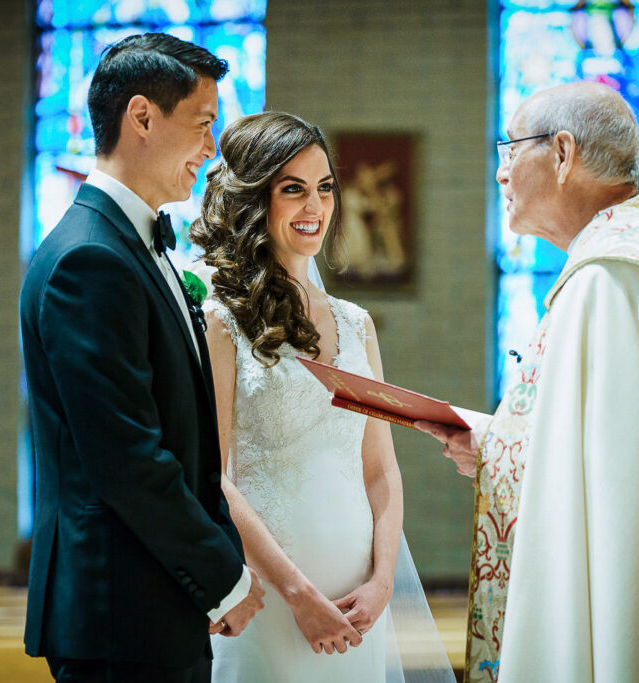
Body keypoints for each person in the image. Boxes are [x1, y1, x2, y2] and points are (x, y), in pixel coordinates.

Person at [417, 82, 639, 682]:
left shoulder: (611, 277)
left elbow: (605, 487)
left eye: (511, 148)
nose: (502, 172)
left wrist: (496, 446)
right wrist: (495, 439)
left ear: (562, 154)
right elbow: (618, 456)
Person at [19, 33, 264, 682]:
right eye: (205, 124)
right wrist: (224, 575)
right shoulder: (89, 260)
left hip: (150, 607)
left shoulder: (134, 246)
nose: (212, 149)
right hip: (118, 614)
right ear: (143, 118)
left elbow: (187, 442)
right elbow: (128, 456)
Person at [190, 111, 453, 682]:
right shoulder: (221, 320)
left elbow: (380, 471)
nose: (315, 208)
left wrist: (383, 580)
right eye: (293, 190)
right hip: (272, 599)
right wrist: (297, 594)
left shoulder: (356, 324)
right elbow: (213, 476)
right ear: (255, 200)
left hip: (359, 600)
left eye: (325, 188)